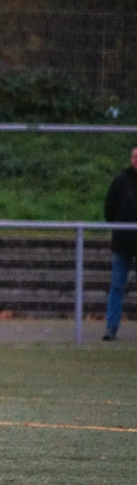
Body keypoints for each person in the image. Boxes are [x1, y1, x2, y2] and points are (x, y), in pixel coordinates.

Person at [102, 146, 137, 341]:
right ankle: (111, 327)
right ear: (131, 159)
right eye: (135, 157)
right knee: (117, 286)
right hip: (123, 244)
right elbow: (109, 209)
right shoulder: (121, 181)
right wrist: (119, 230)